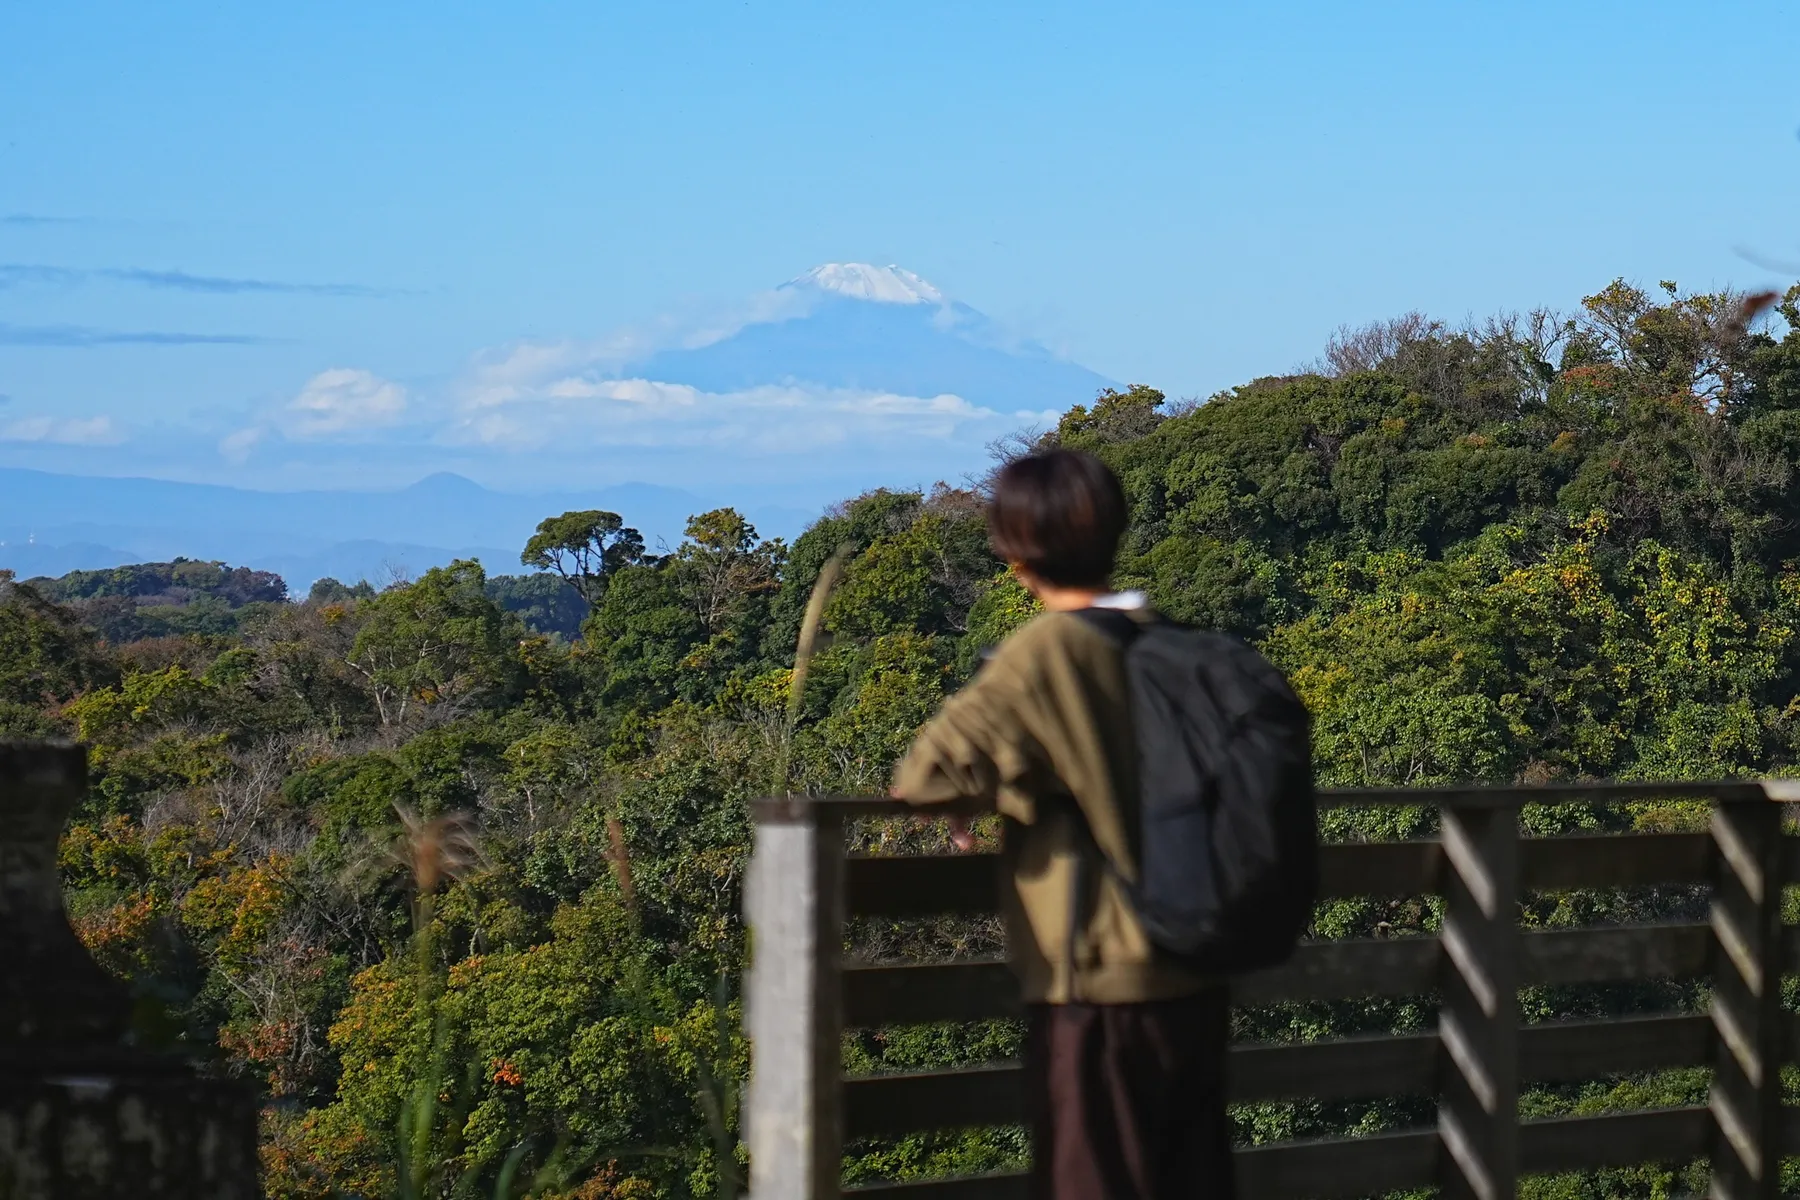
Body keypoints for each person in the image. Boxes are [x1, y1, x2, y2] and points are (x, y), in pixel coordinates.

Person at [890, 448, 1235, 1200]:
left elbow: (926, 777)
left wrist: (1009, 785)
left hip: (1095, 981)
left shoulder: (1044, 652)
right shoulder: (1170, 640)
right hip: (1195, 973)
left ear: (1016, 556)